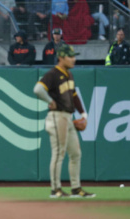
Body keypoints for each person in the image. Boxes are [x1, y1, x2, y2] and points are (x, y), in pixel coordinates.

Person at [33, 44, 95, 198]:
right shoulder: (53, 74)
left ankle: (76, 188)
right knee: (59, 153)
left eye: (74, 56)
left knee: (75, 153)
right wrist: (49, 100)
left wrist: (83, 113)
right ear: (61, 58)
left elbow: (73, 96)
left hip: (68, 117)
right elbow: (38, 89)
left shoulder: (69, 74)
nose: (74, 59)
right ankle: (56, 189)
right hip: (57, 116)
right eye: (70, 56)